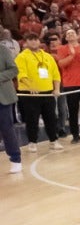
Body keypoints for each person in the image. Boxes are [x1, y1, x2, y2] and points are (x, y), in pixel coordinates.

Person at [16, 34, 63, 152]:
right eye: (30, 40)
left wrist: (56, 89)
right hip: (30, 94)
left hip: (47, 93)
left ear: (39, 41)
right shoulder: (21, 57)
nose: (33, 42)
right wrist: (30, 86)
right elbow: (21, 74)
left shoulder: (47, 56)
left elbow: (55, 74)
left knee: (51, 118)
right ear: (26, 43)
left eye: (35, 39)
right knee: (32, 119)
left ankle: (53, 140)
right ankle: (32, 142)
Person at [54, 26, 80, 144]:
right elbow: (61, 64)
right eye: (68, 34)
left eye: (72, 33)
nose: (70, 35)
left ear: (77, 35)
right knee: (73, 111)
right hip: (70, 84)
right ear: (65, 38)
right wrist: (72, 55)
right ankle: (75, 135)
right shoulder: (62, 48)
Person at [0, 41, 21, 172]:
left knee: (7, 128)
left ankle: (15, 158)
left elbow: (14, 69)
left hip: (2, 96)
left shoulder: (3, 50)